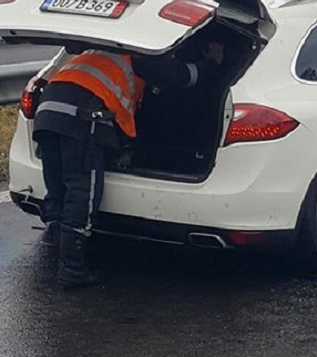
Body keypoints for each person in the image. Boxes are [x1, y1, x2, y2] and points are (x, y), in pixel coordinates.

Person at [33, 42, 224, 290]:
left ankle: (60, 254)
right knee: (82, 191)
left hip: (47, 112)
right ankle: (72, 270)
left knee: (58, 188)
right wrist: (212, 63)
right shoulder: (145, 53)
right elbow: (184, 76)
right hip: (82, 117)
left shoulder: (98, 48)